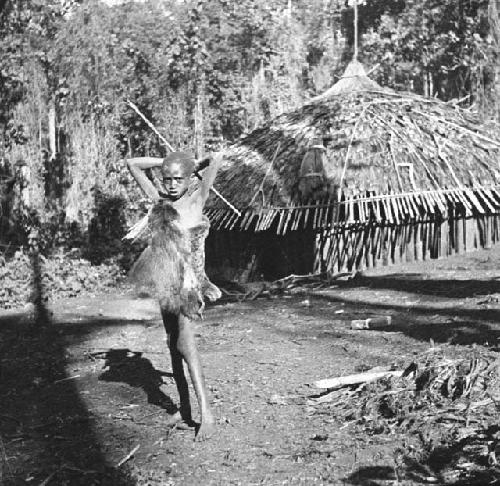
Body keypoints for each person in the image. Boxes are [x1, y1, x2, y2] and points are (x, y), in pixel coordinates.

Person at [125, 151, 222, 441]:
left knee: (187, 344)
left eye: (178, 179)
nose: (171, 184)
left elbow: (216, 160)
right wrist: (166, 162)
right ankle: (185, 406)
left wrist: (198, 163)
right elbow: (132, 165)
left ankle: (207, 415)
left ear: (190, 179)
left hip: (188, 285)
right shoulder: (160, 203)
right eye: (166, 179)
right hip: (165, 281)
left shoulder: (196, 200)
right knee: (171, 343)